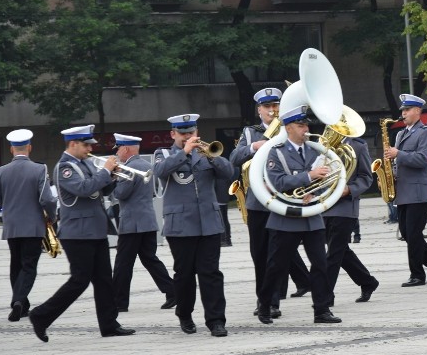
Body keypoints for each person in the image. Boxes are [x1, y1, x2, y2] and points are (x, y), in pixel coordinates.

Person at [28, 125, 135, 342]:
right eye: (85, 145)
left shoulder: (84, 163)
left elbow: (98, 190)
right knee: (80, 280)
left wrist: (112, 176)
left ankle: (109, 324)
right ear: (73, 144)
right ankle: (40, 315)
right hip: (77, 233)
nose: (89, 149)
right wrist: (105, 170)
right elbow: (84, 189)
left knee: (104, 280)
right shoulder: (64, 168)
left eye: (89, 145)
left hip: (94, 229)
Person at [228, 87, 311, 317]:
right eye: (267, 107)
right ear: (259, 110)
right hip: (258, 202)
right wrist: (254, 146)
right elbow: (234, 158)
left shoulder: (289, 130)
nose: (272, 110)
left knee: (280, 255)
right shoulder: (251, 132)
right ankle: (263, 300)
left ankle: (274, 302)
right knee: (260, 255)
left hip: (285, 199)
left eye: (275, 106)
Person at [256, 105, 341, 324]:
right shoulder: (277, 151)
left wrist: (315, 192)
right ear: (288, 127)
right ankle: (265, 305)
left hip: (311, 216)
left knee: (320, 264)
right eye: (300, 125)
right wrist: (308, 177)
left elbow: (328, 177)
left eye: (306, 125)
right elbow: (278, 182)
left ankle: (321, 310)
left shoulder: (316, 150)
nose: (305, 129)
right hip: (286, 218)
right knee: (276, 266)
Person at [153, 113, 233, 337]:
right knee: (184, 274)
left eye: (191, 132)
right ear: (173, 134)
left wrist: (213, 157)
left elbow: (228, 173)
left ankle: (216, 320)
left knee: (211, 273)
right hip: (181, 225)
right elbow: (160, 172)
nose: (188, 136)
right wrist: (185, 151)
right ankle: (185, 314)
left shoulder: (206, 153)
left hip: (208, 222)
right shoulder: (164, 154)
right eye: (183, 133)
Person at [0, 129, 57, 323]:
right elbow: (48, 199)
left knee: (15, 265)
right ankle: (19, 300)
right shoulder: (39, 169)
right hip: (33, 226)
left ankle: (22, 304)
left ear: (11, 149)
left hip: (11, 226)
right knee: (29, 266)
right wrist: (52, 217)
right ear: (29, 147)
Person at [385, 94, 427, 287]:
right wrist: (390, 169)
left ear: (418, 111)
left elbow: (422, 159)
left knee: (413, 233)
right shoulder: (401, 134)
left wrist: (398, 154)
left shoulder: (425, 133)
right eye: (402, 110)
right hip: (403, 191)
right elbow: (399, 160)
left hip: (418, 191)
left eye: (407, 110)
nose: (403, 113)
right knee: (407, 232)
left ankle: (417, 274)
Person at [110, 134, 175, 312]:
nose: (117, 153)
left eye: (118, 149)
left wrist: (111, 178)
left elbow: (121, 194)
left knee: (123, 263)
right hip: (147, 220)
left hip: (131, 222)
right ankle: (172, 291)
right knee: (150, 259)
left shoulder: (127, 168)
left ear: (125, 148)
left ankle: (118, 302)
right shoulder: (147, 165)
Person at [323, 130, 379, 305]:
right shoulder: (323, 145)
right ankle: (367, 282)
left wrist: (349, 190)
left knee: (333, 254)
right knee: (341, 252)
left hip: (345, 207)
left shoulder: (358, 145)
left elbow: (366, 177)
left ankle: (325, 296)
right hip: (325, 206)